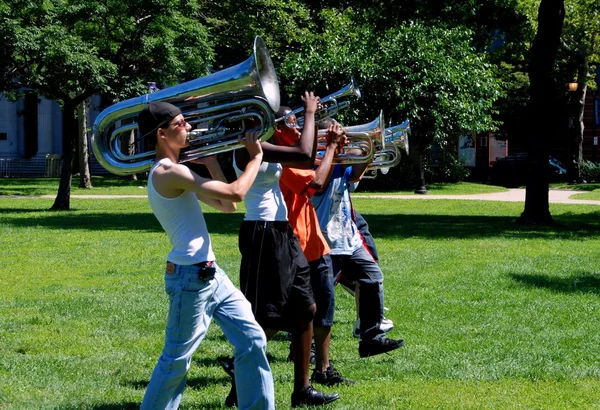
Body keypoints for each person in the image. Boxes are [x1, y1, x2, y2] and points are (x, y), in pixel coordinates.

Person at [138, 101, 274, 410]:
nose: (188, 128)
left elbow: (227, 206)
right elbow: (237, 193)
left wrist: (211, 162)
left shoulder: (179, 173)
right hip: (191, 278)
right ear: (162, 134)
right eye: (181, 124)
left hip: (210, 275)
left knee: (253, 339)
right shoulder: (168, 172)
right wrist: (256, 158)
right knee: (176, 361)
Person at [232, 92, 340, 407]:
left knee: (306, 308)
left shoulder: (262, 142)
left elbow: (306, 159)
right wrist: (309, 113)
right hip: (262, 232)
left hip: (282, 231)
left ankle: (301, 390)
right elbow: (306, 155)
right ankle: (239, 383)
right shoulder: (249, 144)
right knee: (266, 317)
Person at [311, 120, 404, 358]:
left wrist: (369, 147)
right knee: (320, 296)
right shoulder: (314, 159)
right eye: (338, 132)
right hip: (324, 239)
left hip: (347, 237)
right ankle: (305, 346)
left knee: (372, 277)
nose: (343, 136)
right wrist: (338, 148)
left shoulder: (339, 159)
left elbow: (355, 176)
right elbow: (318, 185)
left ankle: (371, 337)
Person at [275, 109, 354, 387]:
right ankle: (241, 364)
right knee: (276, 315)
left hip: (315, 243)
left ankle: (323, 368)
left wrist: (335, 151)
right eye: (290, 124)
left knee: (325, 309)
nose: (297, 130)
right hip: (295, 245)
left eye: (299, 123)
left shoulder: (298, 156)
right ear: (275, 130)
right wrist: (331, 146)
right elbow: (317, 183)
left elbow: (319, 171)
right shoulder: (281, 159)